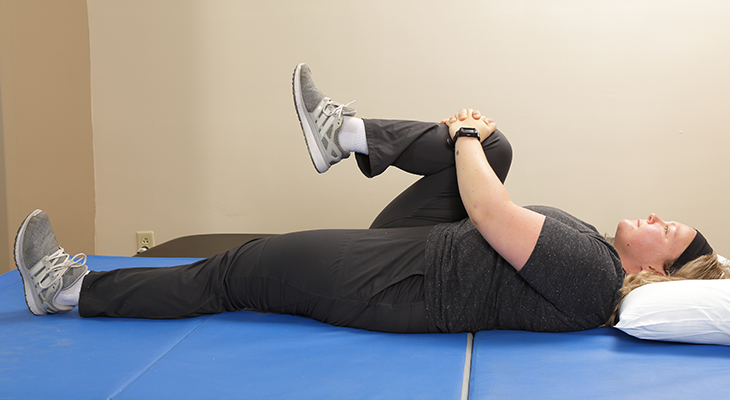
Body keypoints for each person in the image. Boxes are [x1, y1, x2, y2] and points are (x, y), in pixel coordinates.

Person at [13, 63, 726, 334]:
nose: (658, 217)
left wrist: (468, 132)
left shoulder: (595, 276)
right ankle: (343, 135)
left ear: (661, 273)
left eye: (670, 231)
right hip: (421, 252)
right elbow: (484, 206)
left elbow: (486, 212)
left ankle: (71, 290)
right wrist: (478, 144)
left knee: (240, 271)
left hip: (403, 284)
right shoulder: (595, 252)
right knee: (496, 152)